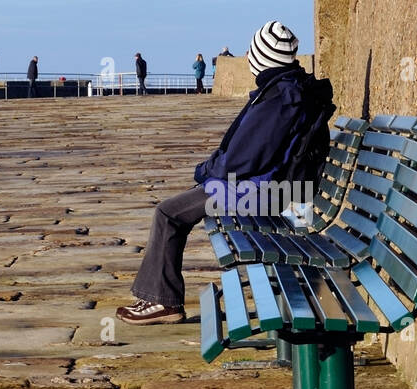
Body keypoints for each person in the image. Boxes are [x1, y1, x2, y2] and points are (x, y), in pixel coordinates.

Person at [116, 22, 335, 325]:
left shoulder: (278, 99)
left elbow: (241, 162)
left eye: (252, 51)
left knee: (168, 213)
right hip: (268, 188)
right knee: (176, 208)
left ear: (263, 57)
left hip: (257, 192)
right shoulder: (284, 90)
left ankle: (162, 302)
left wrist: (206, 171)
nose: (247, 56)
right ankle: (158, 297)